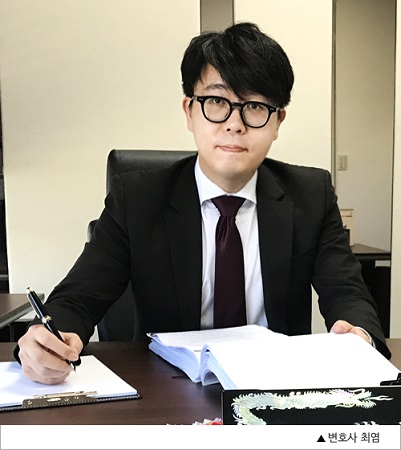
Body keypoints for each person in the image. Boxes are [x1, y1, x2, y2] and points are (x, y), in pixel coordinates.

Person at [16, 22, 390, 385]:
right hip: (164, 390)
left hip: (275, 389)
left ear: (278, 121)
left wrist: (360, 335)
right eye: (216, 101)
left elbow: (348, 293)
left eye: (255, 106)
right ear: (189, 112)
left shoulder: (310, 195)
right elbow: (78, 298)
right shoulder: (137, 199)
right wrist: (47, 343)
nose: (234, 124)